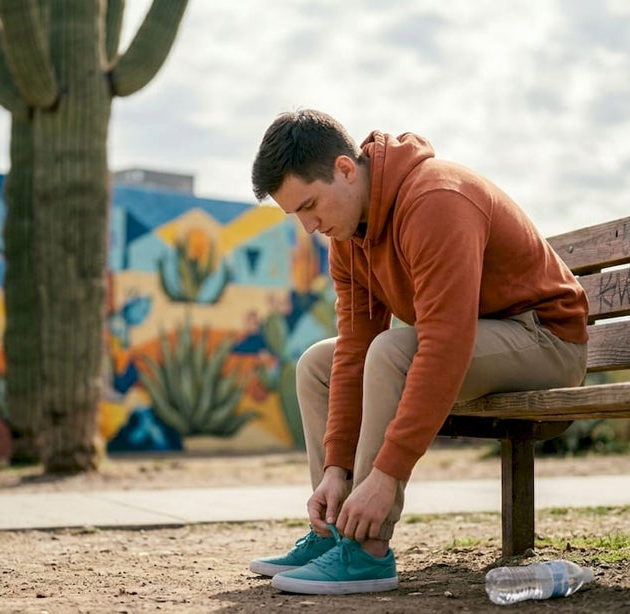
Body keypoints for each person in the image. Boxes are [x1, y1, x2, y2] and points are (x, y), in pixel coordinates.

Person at [247, 109, 590, 595]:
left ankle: (365, 550)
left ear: (345, 169)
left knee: (393, 351)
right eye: (295, 215)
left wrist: (387, 475)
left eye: (309, 205)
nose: (308, 227)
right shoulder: (346, 236)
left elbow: (445, 343)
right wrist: (335, 470)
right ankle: (333, 528)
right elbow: (352, 350)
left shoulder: (435, 198)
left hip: (546, 341)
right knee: (317, 365)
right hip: (484, 338)